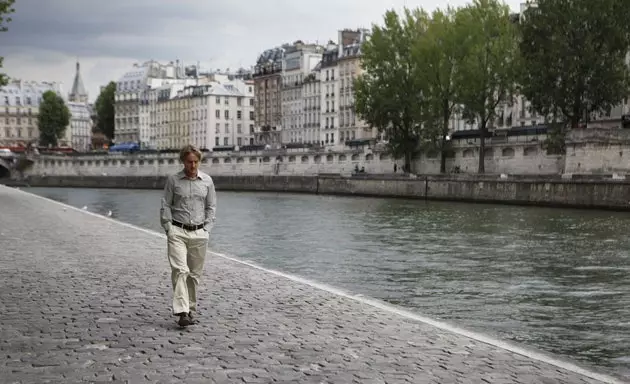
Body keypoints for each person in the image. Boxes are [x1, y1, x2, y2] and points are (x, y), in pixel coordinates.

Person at [160, 145, 217, 327]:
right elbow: (166, 205)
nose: (192, 165)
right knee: (180, 270)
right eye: (189, 162)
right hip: (178, 231)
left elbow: (211, 207)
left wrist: (207, 229)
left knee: (194, 275)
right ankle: (182, 311)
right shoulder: (173, 181)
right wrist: (168, 227)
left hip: (200, 233)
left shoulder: (207, 181)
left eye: (195, 161)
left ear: (199, 161)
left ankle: (191, 309)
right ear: (183, 162)